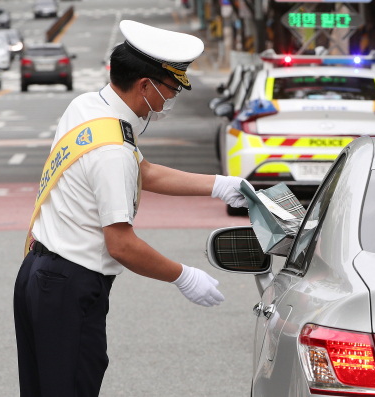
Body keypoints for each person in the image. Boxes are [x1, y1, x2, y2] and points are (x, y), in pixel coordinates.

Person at [13, 20, 251, 397]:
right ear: (145, 85)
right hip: (69, 290)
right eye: (171, 89)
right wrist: (183, 276)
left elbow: (145, 171)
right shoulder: (113, 152)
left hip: (36, 278)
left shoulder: (89, 108)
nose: (169, 100)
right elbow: (121, 244)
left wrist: (220, 185)